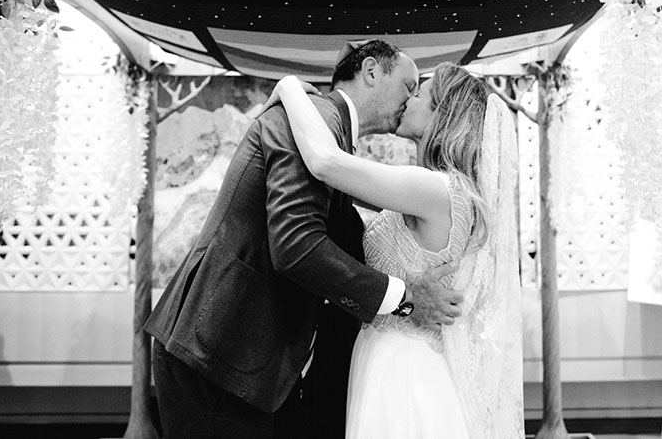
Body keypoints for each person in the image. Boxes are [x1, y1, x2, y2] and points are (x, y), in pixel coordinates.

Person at [144, 40, 464, 439]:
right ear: (371, 71)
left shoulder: (328, 135)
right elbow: (296, 245)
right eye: (408, 85)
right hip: (220, 345)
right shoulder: (314, 121)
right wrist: (405, 297)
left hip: (240, 351)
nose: (411, 98)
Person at [268, 62, 524, 438]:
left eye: (419, 92)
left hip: (405, 372)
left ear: (442, 113)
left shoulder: (434, 190)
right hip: (389, 357)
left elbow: (325, 163)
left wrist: (289, 86)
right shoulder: (439, 192)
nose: (408, 99)